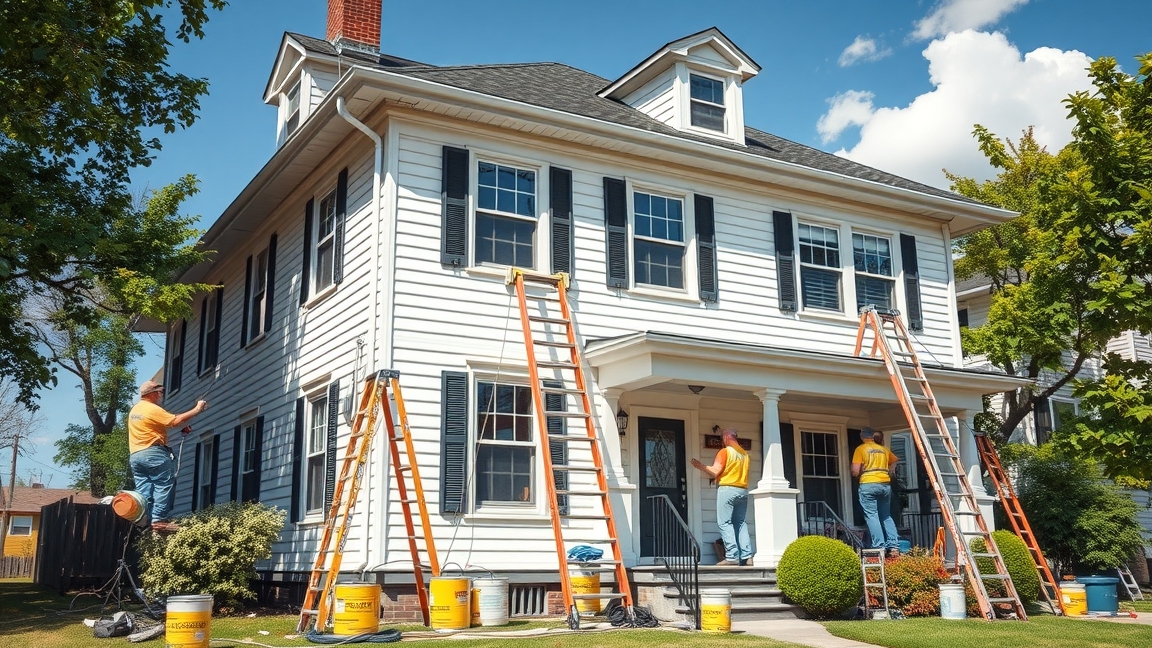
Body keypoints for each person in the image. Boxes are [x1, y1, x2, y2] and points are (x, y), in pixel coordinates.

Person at [128, 380, 207, 533]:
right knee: (163, 485)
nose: (161, 395)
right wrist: (197, 409)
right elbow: (175, 421)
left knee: (145, 490)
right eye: (160, 392)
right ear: (151, 393)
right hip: (153, 454)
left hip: (136, 456)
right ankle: (159, 520)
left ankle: (146, 521)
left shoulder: (135, 410)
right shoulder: (151, 409)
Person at [691, 428, 752, 566]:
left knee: (724, 523)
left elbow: (715, 471)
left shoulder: (725, 452)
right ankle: (747, 556)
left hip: (728, 489)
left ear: (726, 437)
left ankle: (731, 556)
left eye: (722, 438)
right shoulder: (744, 454)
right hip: (742, 490)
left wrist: (699, 466)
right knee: (740, 523)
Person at [851, 427, 900, 556]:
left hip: (868, 484)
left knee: (872, 516)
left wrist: (857, 473)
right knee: (886, 515)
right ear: (872, 436)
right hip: (884, 485)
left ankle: (879, 546)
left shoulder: (861, 449)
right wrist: (890, 470)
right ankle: (894, 546)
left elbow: (855, 470)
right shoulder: (883, 449)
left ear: (862, 437)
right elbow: (894, 460)